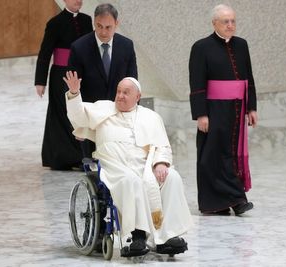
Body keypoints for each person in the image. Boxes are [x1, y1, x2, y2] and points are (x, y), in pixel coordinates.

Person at [64, 71, 193, 257]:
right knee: (132, 181)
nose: (120, 96)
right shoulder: (103, 109)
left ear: (137, 97)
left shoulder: (151, 117)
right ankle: (137, 235)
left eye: (126, 93)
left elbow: (162, 145)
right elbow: (78, 116)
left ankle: (167, 237)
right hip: (115, 167)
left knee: (171, 177)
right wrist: (75, 93)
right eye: (118, 92)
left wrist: (161, 163)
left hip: (146, 166)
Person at [189, 4, 258, 216]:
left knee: (231, 154)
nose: (230, 25)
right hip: (214, 109)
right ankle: (226, 201)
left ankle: (232, 199)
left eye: (233, 21)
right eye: (225, 21)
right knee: (212, 155)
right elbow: (197, 82)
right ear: (214, 23)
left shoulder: (241, 44)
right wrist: (201, 114)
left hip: (237, 109)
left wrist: (252, 107)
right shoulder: (201, 47)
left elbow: (249, 79)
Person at [68, 3, 138, 158]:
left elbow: (133, 83)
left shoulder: (127, 46)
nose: (103, 32)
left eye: (108, 27)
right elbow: (72, 89)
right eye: (99, 26)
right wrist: (78, 124)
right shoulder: (79, 48)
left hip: (120, 118)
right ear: (94, 22)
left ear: (116, 24)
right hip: (92, 120)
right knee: (94, 168)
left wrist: (135, 118)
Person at [34, 0, 92, 170]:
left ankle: (83, 155)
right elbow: (45, 53)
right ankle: (65, 158)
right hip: (61, 75)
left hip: (82, 74)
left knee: (81, 111)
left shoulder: (87, 20)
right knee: (63, 114)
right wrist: (40, 81)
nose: (78, 0)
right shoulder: (54, 23)